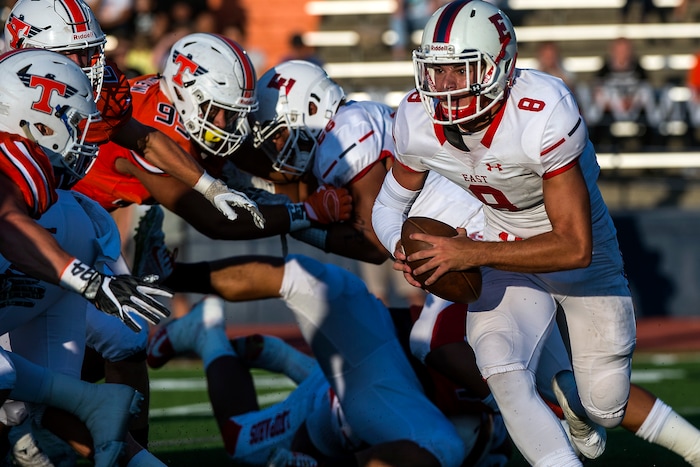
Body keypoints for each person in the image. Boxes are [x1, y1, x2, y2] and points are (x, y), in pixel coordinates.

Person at [371, 1, 700, 465]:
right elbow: (389, 205)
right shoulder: (415, 119)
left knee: (607, 406)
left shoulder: (542, 111)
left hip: (576, 248)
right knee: (502, 371)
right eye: (435, 72)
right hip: (497, 239)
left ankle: (576, 397)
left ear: (498, 68)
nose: (442, 88)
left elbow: (574, 246)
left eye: (459, 72)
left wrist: (468, 252)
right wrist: (402, 250)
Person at [146, 258, 509, 467]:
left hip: (399, 394)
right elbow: (432, 347)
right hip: (365, 389)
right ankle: (205, 330)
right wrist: (506, 398)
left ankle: (279, 355)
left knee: (469, 443)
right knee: (240, 440)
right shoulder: (466, 299)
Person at [0, 47, 170, 465]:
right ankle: (83, 404)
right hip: (72, 240)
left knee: (16, 395)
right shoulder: (20, 161)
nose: (81, 140)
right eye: (73, 122)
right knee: (19, 395)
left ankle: (74, 408)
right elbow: (6, 221)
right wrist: (91, 282)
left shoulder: (37, 174)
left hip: (60, 248)